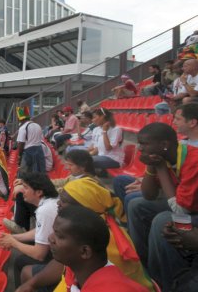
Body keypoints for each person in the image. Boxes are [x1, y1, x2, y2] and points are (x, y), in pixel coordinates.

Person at [128, 118, 198, 291]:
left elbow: (180, 210)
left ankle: (166, 283)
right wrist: (151, 167)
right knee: (137, 205)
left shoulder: (193, 159)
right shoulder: (165, 156)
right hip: (185, 207)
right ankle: (143, 267)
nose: (140, 148)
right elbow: (149, 195)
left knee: (163, 219)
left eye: (144, 144)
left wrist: (159, 167)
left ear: (164, 144)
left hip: (191, 211)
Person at [48, 206, 147, 291]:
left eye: (59, 236)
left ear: (84, 251)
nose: (50, 238)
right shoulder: (76, 271)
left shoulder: (112, 288)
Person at [0, 172, 58, 288]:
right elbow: (39, 231)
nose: (22, 190)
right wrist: (14, 237)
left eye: (25, 187)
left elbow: (39, 254)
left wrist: (13, 243)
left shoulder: (45, 210)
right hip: (57, 250)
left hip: (59, 261)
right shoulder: (50, 202)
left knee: (20, 262)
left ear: (39, 192)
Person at [88, 108, 124, 176]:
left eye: (95, 117)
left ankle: (92, 180)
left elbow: (108, 148)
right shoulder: (98, 129)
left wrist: (105, 132)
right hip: (101, 156)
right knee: (81, 157)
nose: (93, 120)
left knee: (85, 160)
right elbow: (96, 147)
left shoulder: (116, 129)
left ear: (103, 116)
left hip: (113, 159)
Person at [16, 106, 46, 173]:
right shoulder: (38, 125)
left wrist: (19, 156)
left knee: (25, 174)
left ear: (20, 119)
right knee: (40, 172)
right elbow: (42, 139)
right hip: (39, 150)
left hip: (29, 152)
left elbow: (20, 144)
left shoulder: (23, 128)